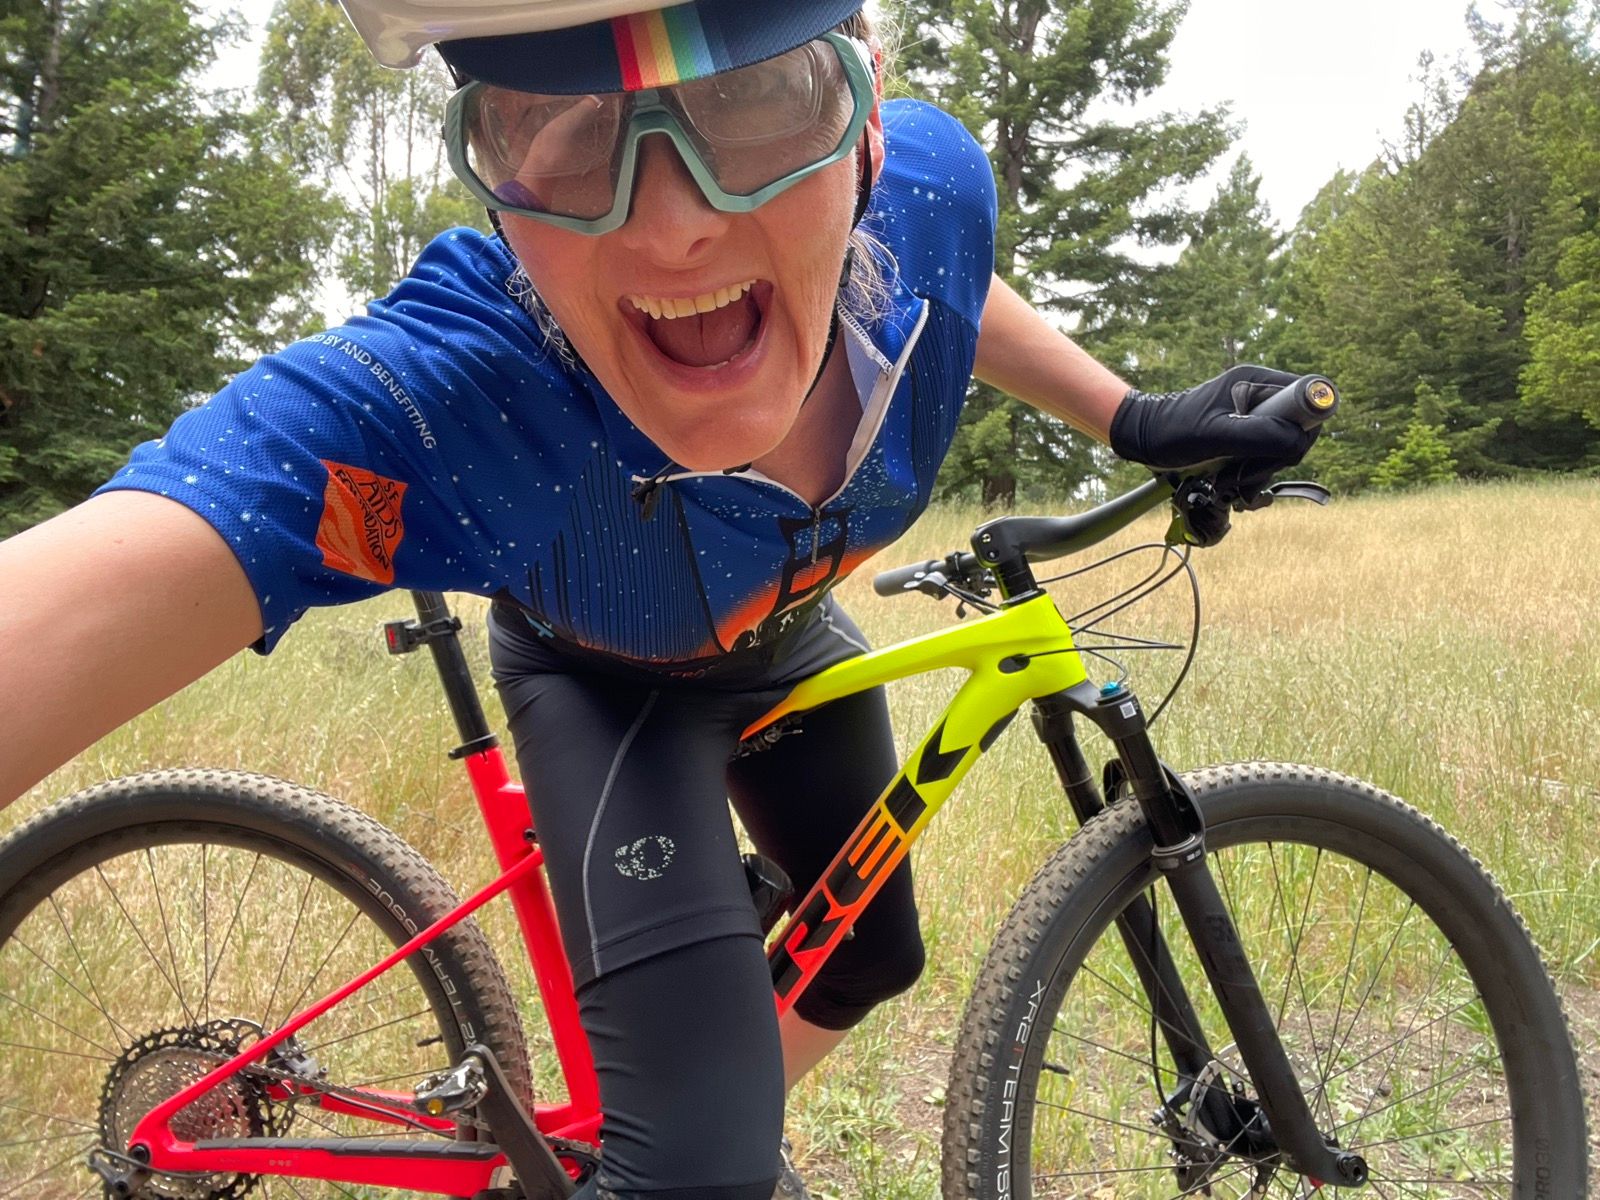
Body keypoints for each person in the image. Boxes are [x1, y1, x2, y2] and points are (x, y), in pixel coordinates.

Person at [0, 1, 1319, 1195]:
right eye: (561, 129)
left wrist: (1128, 414)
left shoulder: (929, 181)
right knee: (692, 1168)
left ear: (864, 111)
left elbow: (945, 274)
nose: (673, 223)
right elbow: (128, 557)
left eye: (760, 98)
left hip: (787, 650)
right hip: (604, 685)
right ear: (495, 188)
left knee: (869, 955)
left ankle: (673, 1132)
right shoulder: (462, 395)